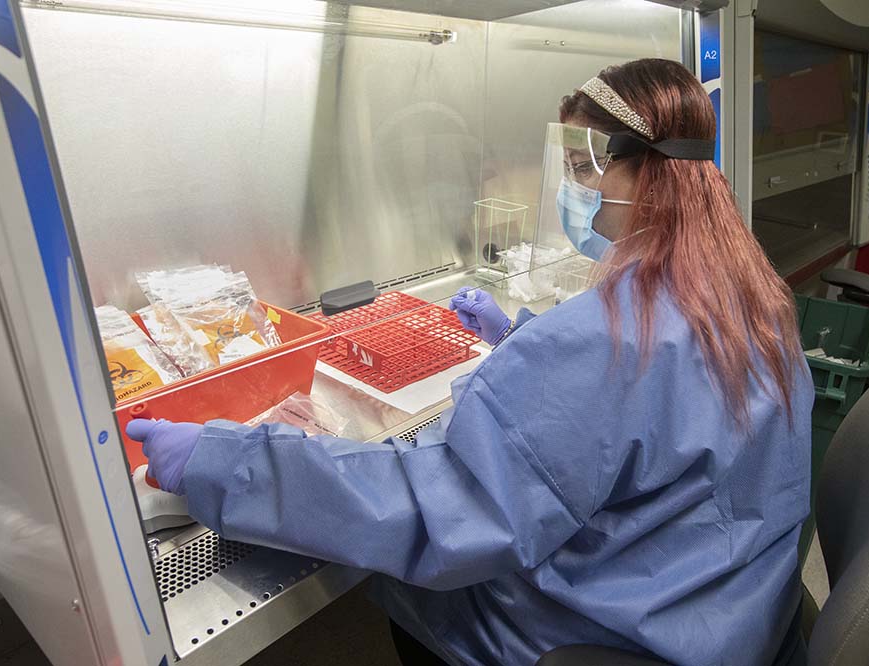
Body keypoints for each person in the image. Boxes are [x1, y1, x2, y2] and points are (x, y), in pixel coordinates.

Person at [128, 58, 813, 666]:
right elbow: (651, 413)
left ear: (643, 167)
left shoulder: (607, 338)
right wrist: (524, 338)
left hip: (608, 634)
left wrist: (225, 461)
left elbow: (438, 514)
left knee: (405, 575)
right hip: (727, 612)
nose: (571, 188)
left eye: (582, 168)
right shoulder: (751, 294)